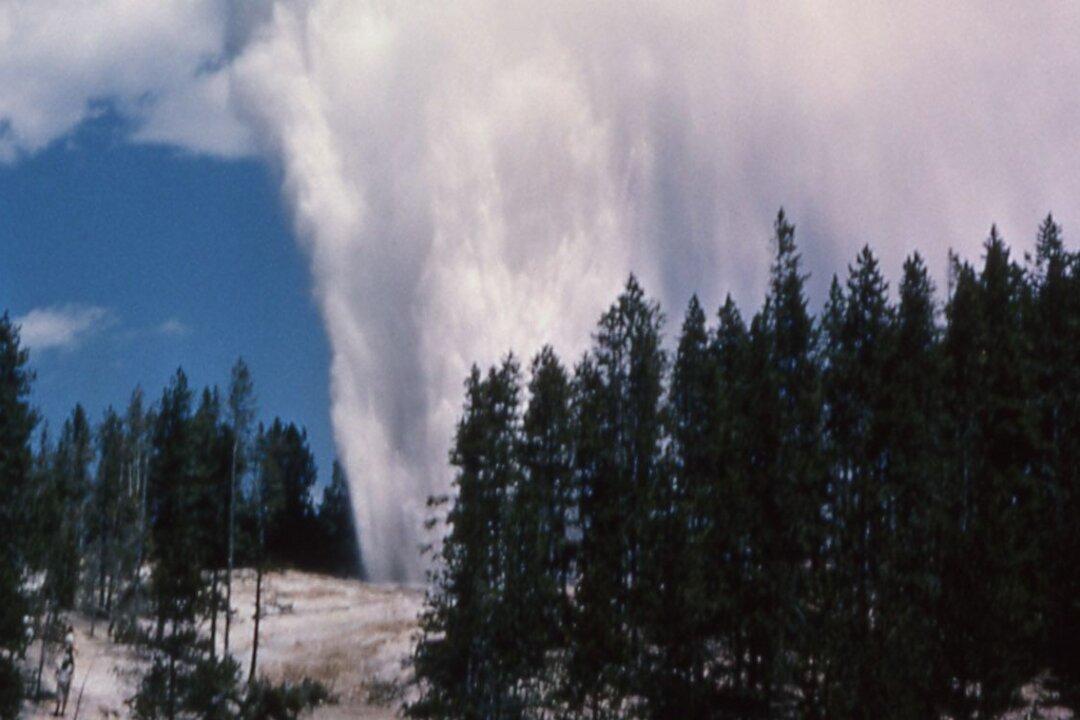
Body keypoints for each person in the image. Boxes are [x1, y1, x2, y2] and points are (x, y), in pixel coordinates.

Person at [54, 647, 74, 716]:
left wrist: (69, 681)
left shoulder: (70, 667)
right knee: (59, 697)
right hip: (61, 682)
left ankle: (62, 711)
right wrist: (57, 678)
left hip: (66, 683)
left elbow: (71, 675)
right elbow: (56, 672)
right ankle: (57, 710)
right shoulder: (61, 666)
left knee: (64, 698)